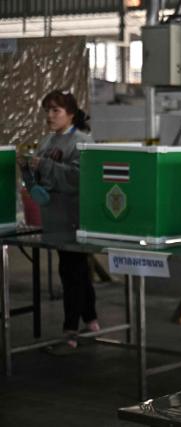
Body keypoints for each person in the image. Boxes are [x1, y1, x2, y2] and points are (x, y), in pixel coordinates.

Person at [17, 90, 99, 350]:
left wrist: (45, 166)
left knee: (71, 269)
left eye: (56, 111)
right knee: (76, 268)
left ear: (70, 114)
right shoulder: (46, 141)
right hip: (54, 216)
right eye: (47, 111)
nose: (50, 116)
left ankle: (70, 329)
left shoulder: (83, 142)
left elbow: (80, 179)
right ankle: (91, 318)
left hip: (74, 216)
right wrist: (30, 170)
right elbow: (43, 177)